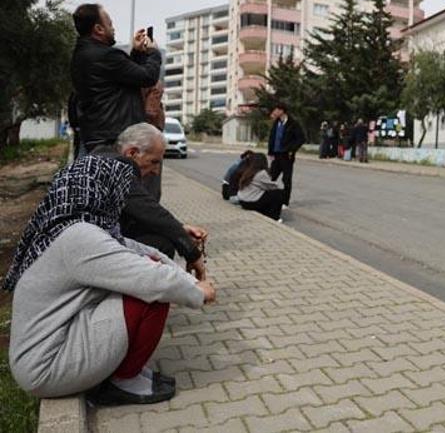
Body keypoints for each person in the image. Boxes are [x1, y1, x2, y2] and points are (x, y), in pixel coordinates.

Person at [2, 155, 215, 405]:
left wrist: (188, 280)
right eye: (120, 191)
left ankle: (125, 373)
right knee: (150, 295)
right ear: (103, 189)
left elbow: (145, 252)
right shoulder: (78, 238)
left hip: (49, 350)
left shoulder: (68, 226)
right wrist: (198, 293)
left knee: (148, 270)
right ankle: (124, 382)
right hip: (47, 368)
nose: (122, 201)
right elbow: (149, 278)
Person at [90, 124, 207, 272]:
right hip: (86, 255)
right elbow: (149, 211)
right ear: (132, 153)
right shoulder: (114, 169)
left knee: (158, 237)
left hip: (84, 243)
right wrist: (192, 254)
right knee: (160, 245)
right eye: (154, 162)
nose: (156, 172)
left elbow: (143, 214)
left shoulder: (100, 157)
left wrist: (180, 229)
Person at [70, 3, 161, 153]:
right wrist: (153, 52)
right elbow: (147, 77)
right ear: (99, 29)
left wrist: (137, 53)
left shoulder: (83, 54)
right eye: (110, 24)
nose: (113, 29)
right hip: (113, 139)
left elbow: (127, 77)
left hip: (98, 136)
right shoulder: (106, 55)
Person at [267, 102, 305, 207]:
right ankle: (267, 199)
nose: (274, 112)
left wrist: (292, 149)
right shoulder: (276, 123)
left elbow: (301, 138)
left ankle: (285, 202)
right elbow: (272, 138)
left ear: (282, 111)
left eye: (276, 110)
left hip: (286, 155)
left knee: (286, 179)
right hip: (276, 155)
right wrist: (270, 152)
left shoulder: (293, 124)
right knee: (271, 177)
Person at [237, 153, 285, 221]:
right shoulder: (262, 173)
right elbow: (271, 186)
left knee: (266, 194)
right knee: (279, 193)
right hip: (250, 202)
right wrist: (278, 185)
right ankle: (274, 217)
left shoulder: (248, 170)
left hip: (242, 201)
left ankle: (263, 211)